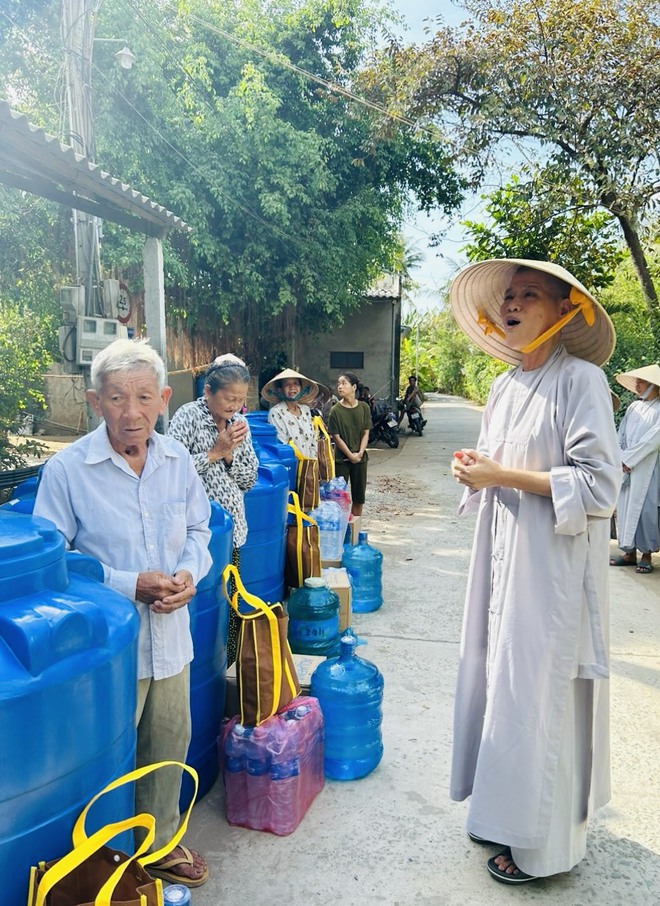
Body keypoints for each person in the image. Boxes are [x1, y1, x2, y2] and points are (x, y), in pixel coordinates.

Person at [449, 259, 621, 884]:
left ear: (565, 310)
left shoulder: (582, 381)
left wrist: (501, 475)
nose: (513, 303)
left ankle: (544, 849)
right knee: (499, 677)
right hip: (500, 554)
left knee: (539, 691)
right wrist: (474, 469)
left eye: (529, 294)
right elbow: (495, 463)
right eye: (508, 296)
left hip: (550, 569)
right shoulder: (503, 387)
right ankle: (501, 811)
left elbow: (599, 486)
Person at [33, 338, 212, 888]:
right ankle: (107, 866)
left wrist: (189, 575)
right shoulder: (68, 470)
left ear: (162, 399)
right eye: (116, 398)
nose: (130, 412)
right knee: (106, 758)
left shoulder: (178, 461)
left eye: (142, 397)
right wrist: (125, 583)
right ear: (94, 401)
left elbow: (201, 532)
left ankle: (158, 845)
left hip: (171, 635)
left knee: (167, 742)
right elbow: (53, 562)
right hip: (107, 650)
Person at [168, 354, 259, 664]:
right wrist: (214, 453)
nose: (234, 405)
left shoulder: (240, 425)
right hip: (195, 535)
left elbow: (249, 480)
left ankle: (226, 667)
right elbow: (171, 473)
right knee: (200, 605)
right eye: (229, 398)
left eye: (240, 399)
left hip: (232, 531)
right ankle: (200, 669)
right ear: (208, 391)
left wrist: (231, 456)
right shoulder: (188, 416)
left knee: (229, 602)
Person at [609, 363, 660, 574]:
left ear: (654, 385)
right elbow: (620, 435)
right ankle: (629, 553)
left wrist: (629, 459)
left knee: (646, 509)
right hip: (626, 467)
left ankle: (646, 555)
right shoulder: (633, 408)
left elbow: (653, 440)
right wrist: (620, 457)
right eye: (637, 382)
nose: (637, 385)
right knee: (625, 506)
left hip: (648, 467)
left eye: (642, 382)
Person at [328, 372, 371, 517]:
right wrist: (350, 455)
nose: (340, 387)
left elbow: (366, 432)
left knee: (359, 498)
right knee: (339, 498)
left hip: (360, 459)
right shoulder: (335, 410)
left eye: (344, 383)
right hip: (341, 460)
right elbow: (336, 437)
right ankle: (343, 531)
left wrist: (359, 453)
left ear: (353, 387)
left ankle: (355, 529)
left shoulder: (364, 407)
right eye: (338, 384)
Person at [262, 367, 319, 458]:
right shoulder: (276, 412)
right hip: (290, 465)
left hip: (310, 466)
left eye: (296, 383)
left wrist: (311, 464)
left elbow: (313, 440)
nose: (292, 387)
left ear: (301, 388)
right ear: (280, 390)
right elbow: (282, 443)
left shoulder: (305, 410)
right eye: (287, 384)